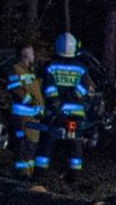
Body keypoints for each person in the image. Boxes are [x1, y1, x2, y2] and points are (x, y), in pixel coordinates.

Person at [37, 33, 94, 181]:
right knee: (75, 142)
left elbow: (49, 89)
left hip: (55, 114)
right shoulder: (81, 68)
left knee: (47, 140)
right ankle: (74, 175)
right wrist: (74, 95)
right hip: (75, 113)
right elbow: (86, 87)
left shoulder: (51, 66)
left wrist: (56, 105)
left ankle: (40, 174)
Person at [6, 45, 45, 179]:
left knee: (31, 147)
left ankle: (28, 174)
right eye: (32, 54)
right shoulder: (15, 70)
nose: (34, 56)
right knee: (24, 146)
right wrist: (31, 101)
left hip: (33, 118)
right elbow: (16, 89)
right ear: (25, 55)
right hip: (23, 117)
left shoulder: (30, 72)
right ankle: (22, 176)